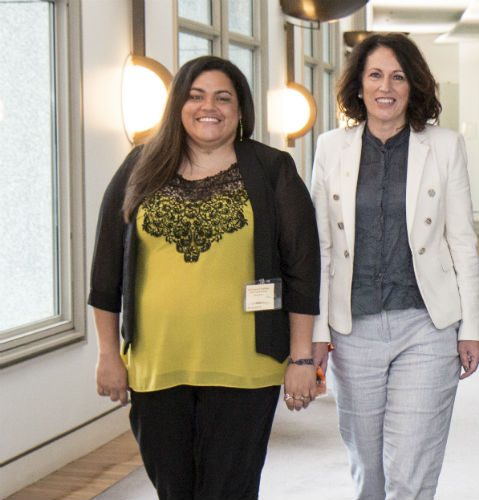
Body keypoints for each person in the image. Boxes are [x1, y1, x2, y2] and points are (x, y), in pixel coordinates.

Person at [90, 56, 320, 499]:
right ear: (177, 104)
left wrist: (301, 358)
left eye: (222, 97)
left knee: (229, 492)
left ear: (240, 110)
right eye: (195, 96)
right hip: (156, 368)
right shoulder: (140, 166)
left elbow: (302, 271)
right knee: (174, 491)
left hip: (245, 368)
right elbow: (105, 272)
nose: (207, 107)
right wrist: (107, 355)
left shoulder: (272, 169)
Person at [309, 33, 479, 500]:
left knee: (411, 470)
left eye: (398, 76)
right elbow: (321, 246)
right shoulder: (329, 148)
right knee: (369, 470)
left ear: (414, 86)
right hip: (353, 327)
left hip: (426, 324)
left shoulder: (444, 147)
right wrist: (318, 332)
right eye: (375, 75)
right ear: (359, 85)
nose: (386, 86)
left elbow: (463, 241)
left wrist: (472, 328)